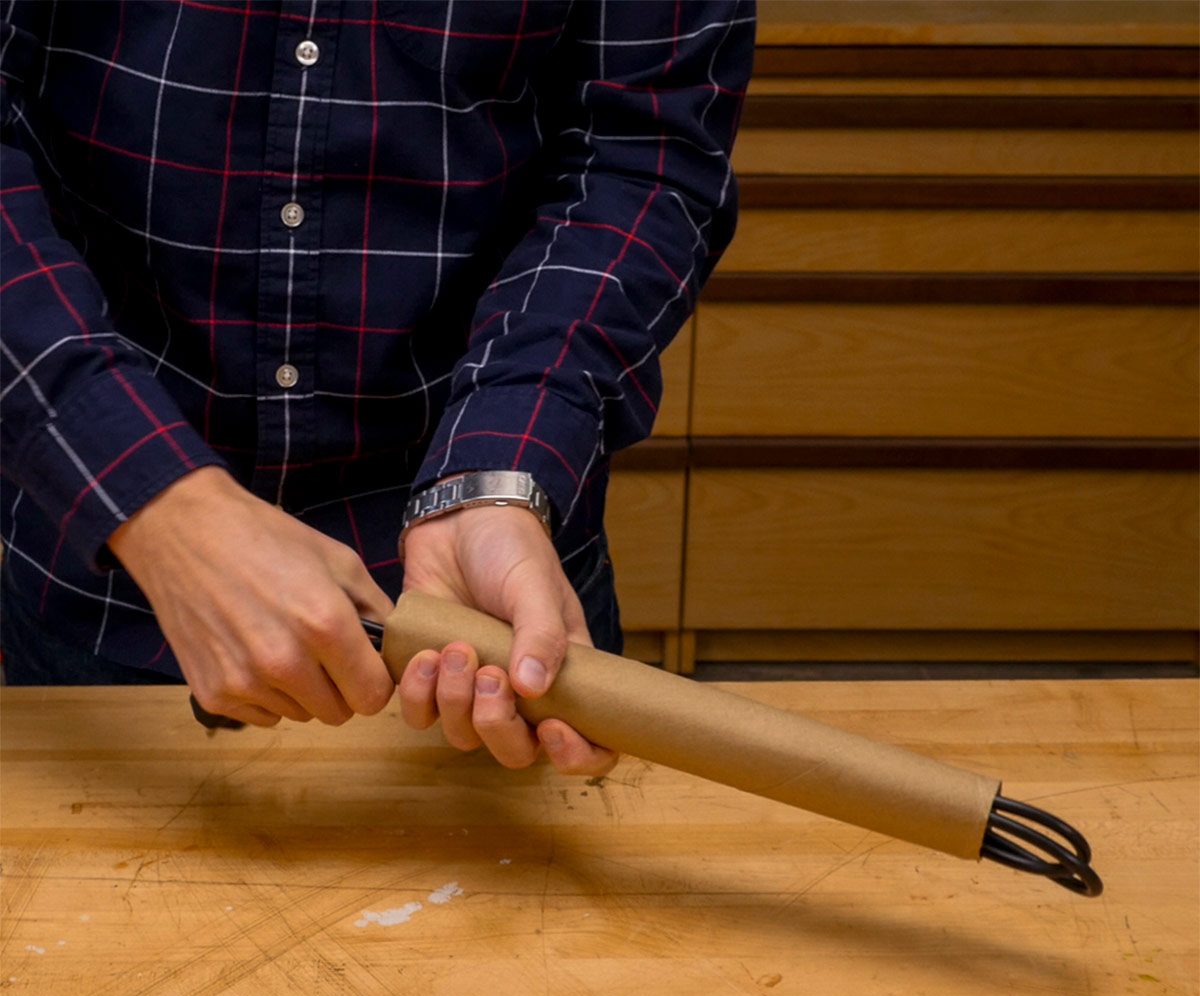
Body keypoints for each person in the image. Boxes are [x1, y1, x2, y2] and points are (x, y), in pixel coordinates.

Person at [0, 1, 753, 773]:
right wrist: (148, 493)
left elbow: (644, 156)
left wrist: (495, 470)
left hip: (484, 612)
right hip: (100, 582)